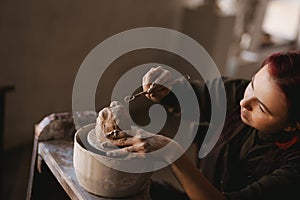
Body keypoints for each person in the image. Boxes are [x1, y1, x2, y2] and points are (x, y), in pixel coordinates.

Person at [106, 50, 300, 200]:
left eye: (262, 108)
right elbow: (194, 96)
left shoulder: (294, 170)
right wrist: (167, 90)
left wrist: (171, 153)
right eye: (252, 85)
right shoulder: (239, 93)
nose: (244, 102)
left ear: (292, 126)